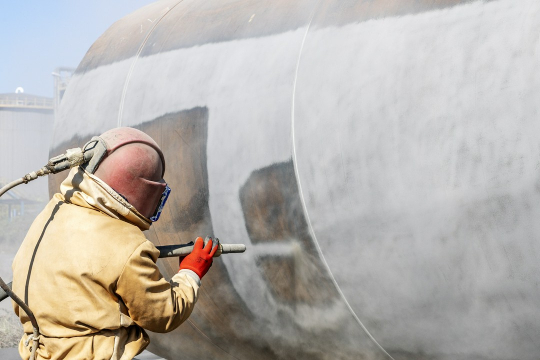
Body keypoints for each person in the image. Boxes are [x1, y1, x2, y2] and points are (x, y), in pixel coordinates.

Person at [11, 127, 217, 360]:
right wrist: (191, 272)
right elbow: (162, 314)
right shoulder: (127, 244)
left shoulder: (52, 213)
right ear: (145, 192)